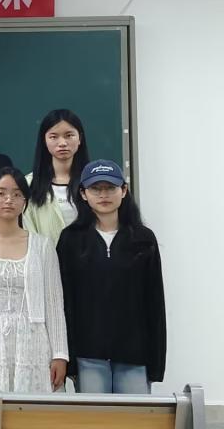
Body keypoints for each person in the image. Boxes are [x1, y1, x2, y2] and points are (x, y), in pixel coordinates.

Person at [57, 160, 166, 394]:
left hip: (134, 355)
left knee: (134, 417)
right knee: (97, 417)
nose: (103, 195)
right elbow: (65, 302)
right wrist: (70, 360)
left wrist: (156, 363)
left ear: (124, 191)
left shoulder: (143, 238)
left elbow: (155, 302)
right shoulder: (70, 239)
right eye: (96, 189)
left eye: (110, 188)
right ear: (83, 194)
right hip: (88, 355)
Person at [0, 168, 69, 393]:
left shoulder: (43, 246)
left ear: (25, 201)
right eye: (1, 193)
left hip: (33, 344)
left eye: (17, 194)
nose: (9, 200)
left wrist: (60, 354)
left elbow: (54, 304)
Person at [23, 109, 90, 242]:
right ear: (44, 140)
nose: (62, 143)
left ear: (80, 139)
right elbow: (28, 231)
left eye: (69, 135)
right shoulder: (28, 184)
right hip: (45, 254)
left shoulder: (93, 182)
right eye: (54, 137)